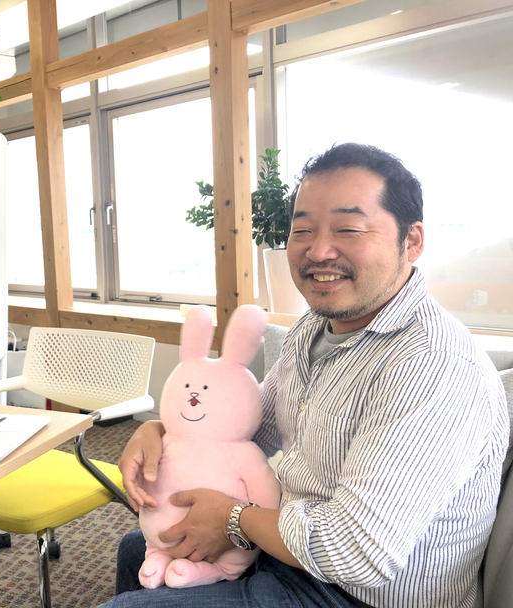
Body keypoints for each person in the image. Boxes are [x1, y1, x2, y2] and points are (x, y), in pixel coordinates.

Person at [102, 143, 509, 608]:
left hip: (360, 595)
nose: (318, 251)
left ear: (411, 241)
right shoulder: (314, 328)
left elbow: (359, 553)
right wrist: (160, 430)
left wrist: (234, 520)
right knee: (136, 549)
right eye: (302, 230)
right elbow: (254, 425)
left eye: (348, 228)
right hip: (297, 552)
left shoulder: (432, 364)